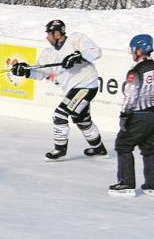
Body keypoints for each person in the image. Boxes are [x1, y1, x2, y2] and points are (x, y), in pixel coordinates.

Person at [11, 19, 107, 160]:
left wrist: (79, 55)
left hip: (86, 85)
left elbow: (96, 52)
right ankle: (99, 149)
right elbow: (40, 72)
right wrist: (25, 71)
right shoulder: (48, 53)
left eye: (49, 33)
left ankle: (59, 150)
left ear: (57, 34)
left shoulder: (75, 39)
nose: (47, 37)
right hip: (73, 89)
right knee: (82, 119)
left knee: (60, 115)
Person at [109, 34, 154, 197]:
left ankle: (126, 184)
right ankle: (152, 186)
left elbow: (131, 95)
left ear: (140, 50)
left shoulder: (136, 71)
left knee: (123, 145)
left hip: (140, 115)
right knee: (149, 148)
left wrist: (124, 115)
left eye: (133, 50)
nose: (132, 54)